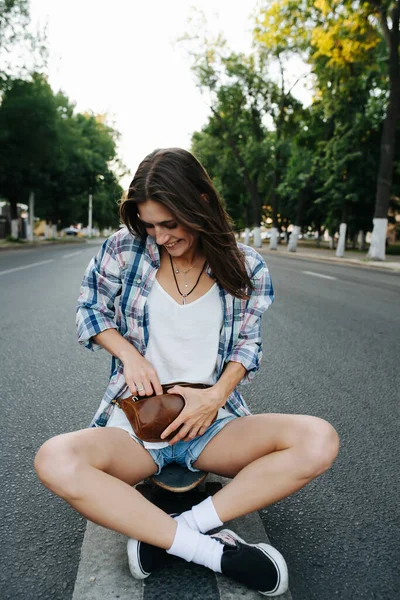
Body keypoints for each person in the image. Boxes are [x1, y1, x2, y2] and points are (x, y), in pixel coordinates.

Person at [34, 148, 339, 596]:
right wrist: (130, 357)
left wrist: (215, 397)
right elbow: (89, 310)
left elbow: (247, 345)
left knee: (319, 440)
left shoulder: (245, 263)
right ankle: (209, 550)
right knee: (54, 459)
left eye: (170, 224)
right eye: (150, 225)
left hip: (211, 424)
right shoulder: (124, 247)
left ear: (200, 202)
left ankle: (177, 530)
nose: (159, 237)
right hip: (138, 429)